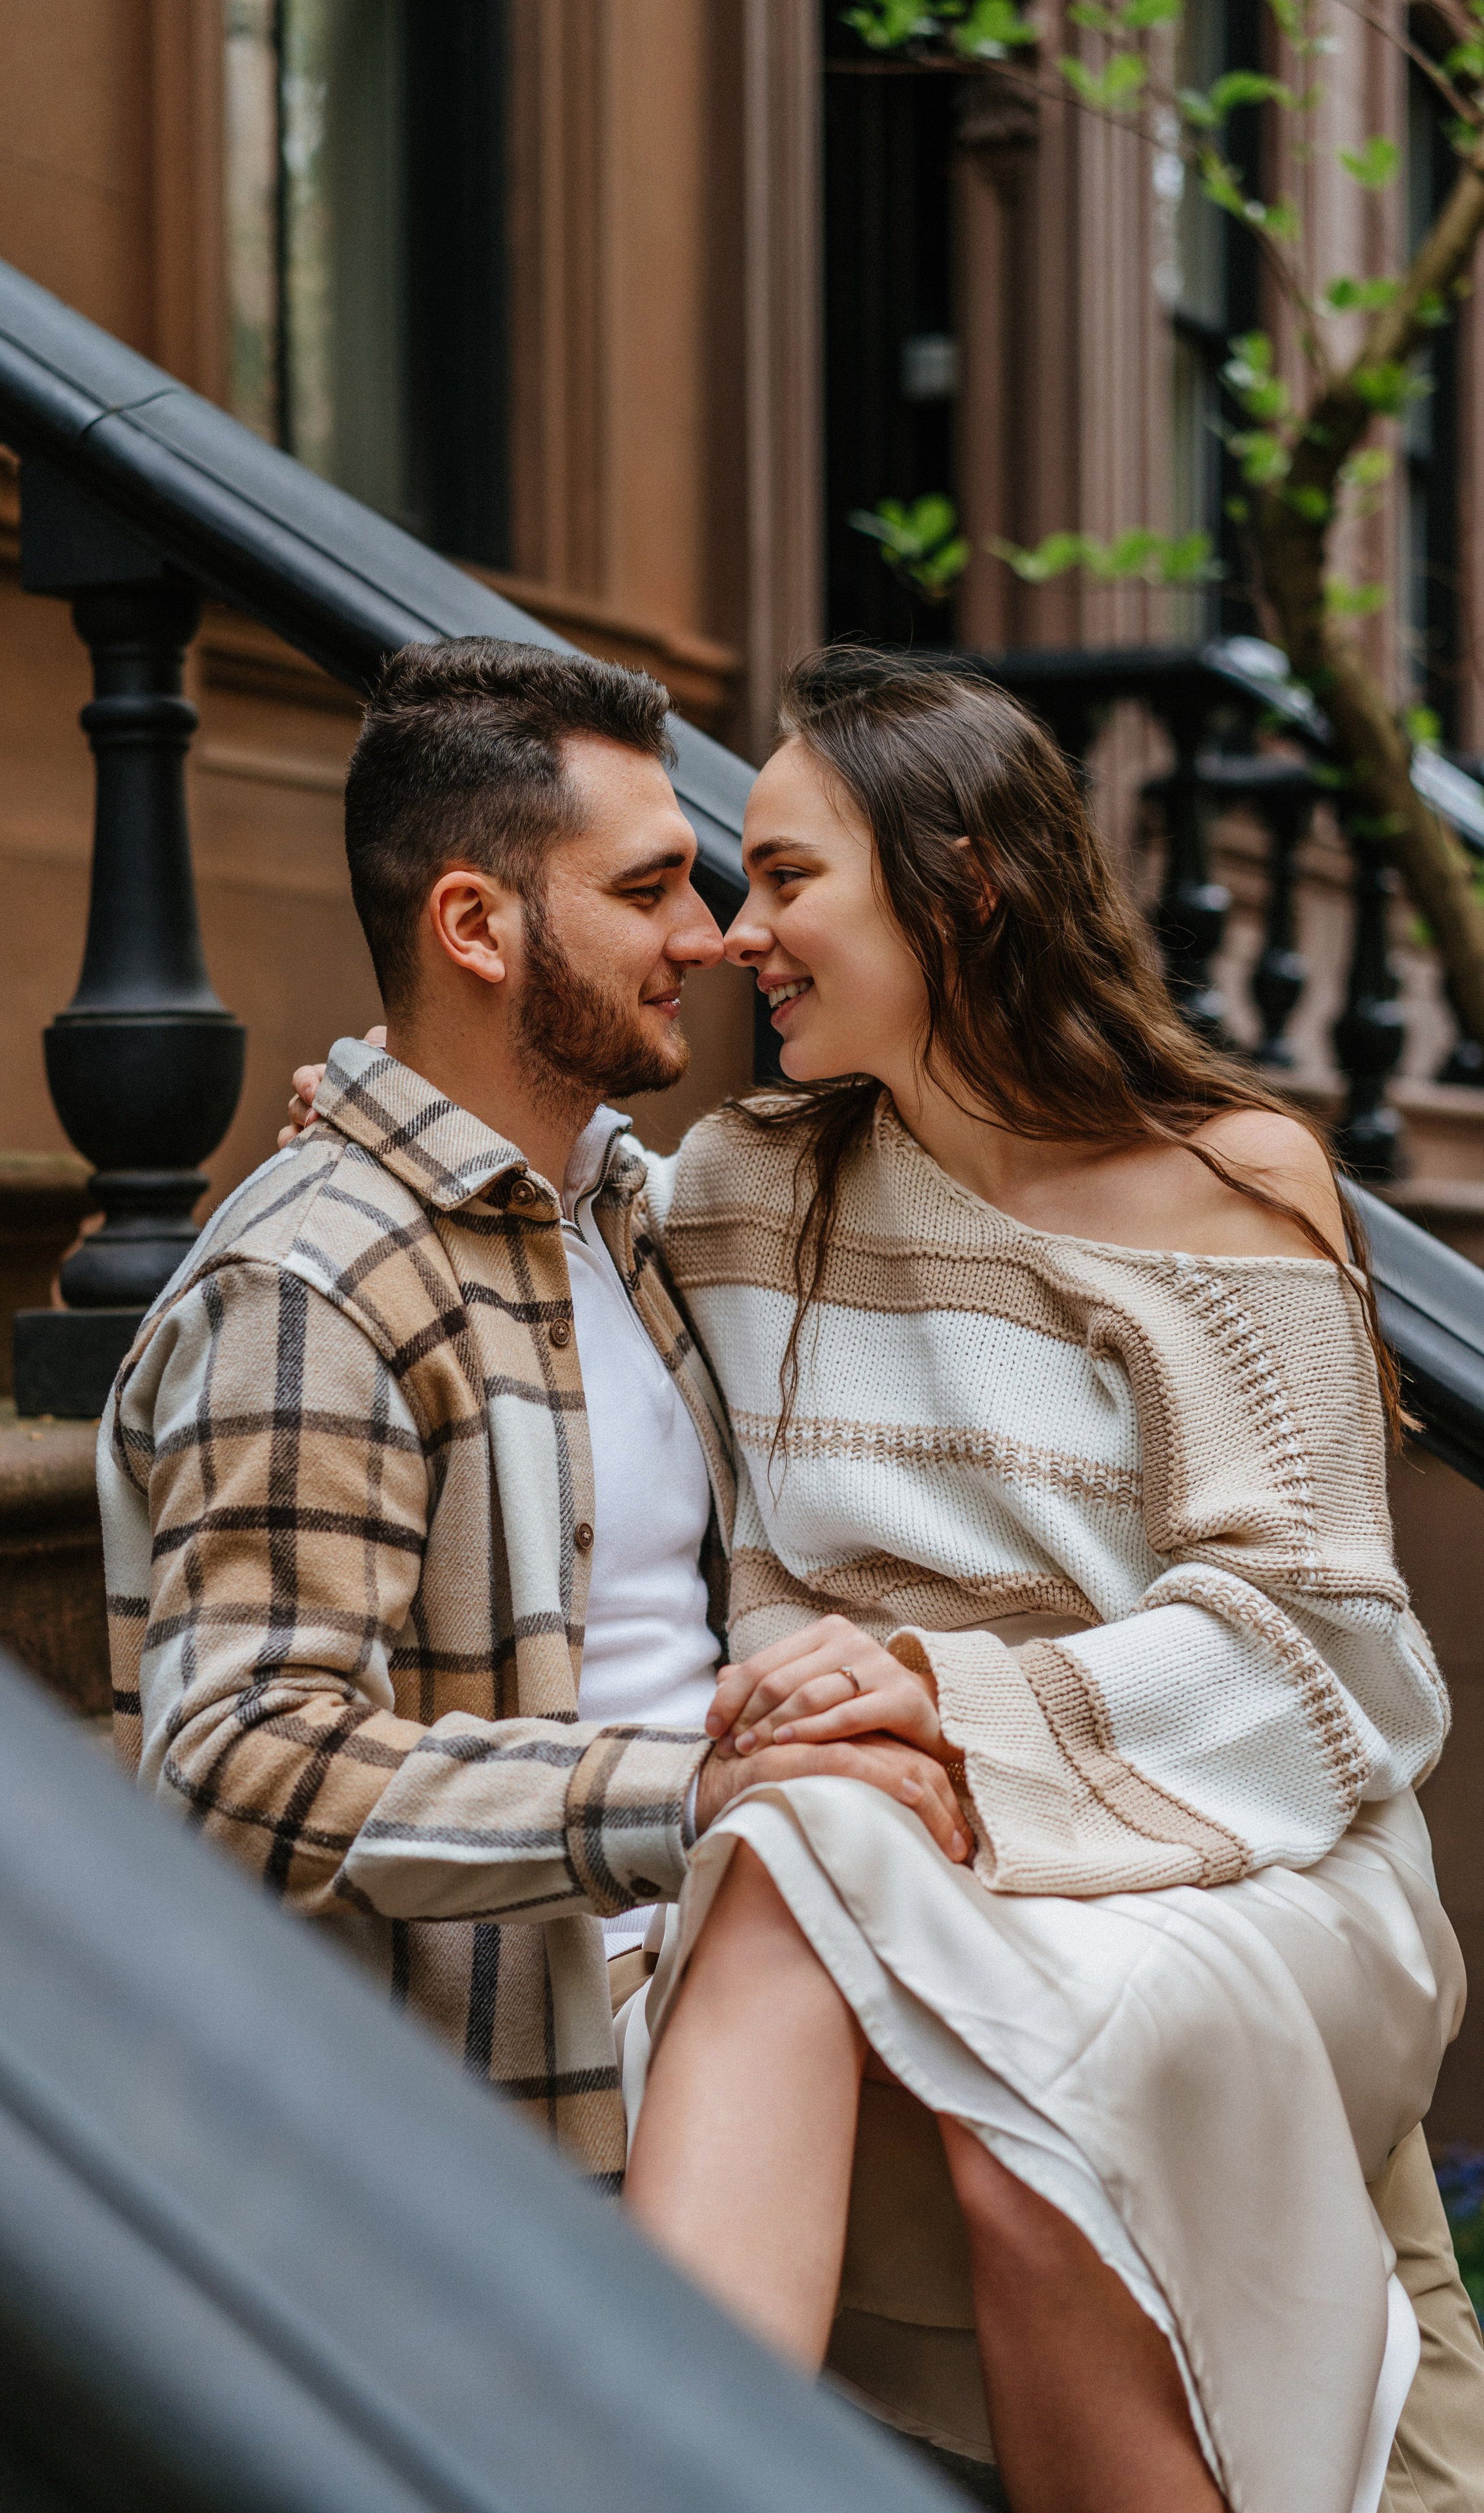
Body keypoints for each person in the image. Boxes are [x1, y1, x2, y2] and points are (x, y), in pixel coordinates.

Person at [608, 649, 1481, 2513]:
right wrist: (345, 1119)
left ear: (964, 883)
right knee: (788, 1842)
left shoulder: (1228, 1181)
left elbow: (1327, 1644)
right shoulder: (739, 1191)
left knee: (1053, 2064)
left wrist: (956, 1701)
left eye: (783, 878)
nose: (734, 932)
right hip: (889, 1816)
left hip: (1249, 1839)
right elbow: (504, 1201)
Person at [98, 638, 956, 2199]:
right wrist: (683, 1794)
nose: (705, 938)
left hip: (732, 1947)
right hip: (522, 2097)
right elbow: (238, 1764)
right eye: (646, 893)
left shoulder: (616, 1208)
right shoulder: (312, 1287)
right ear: (475, 926)